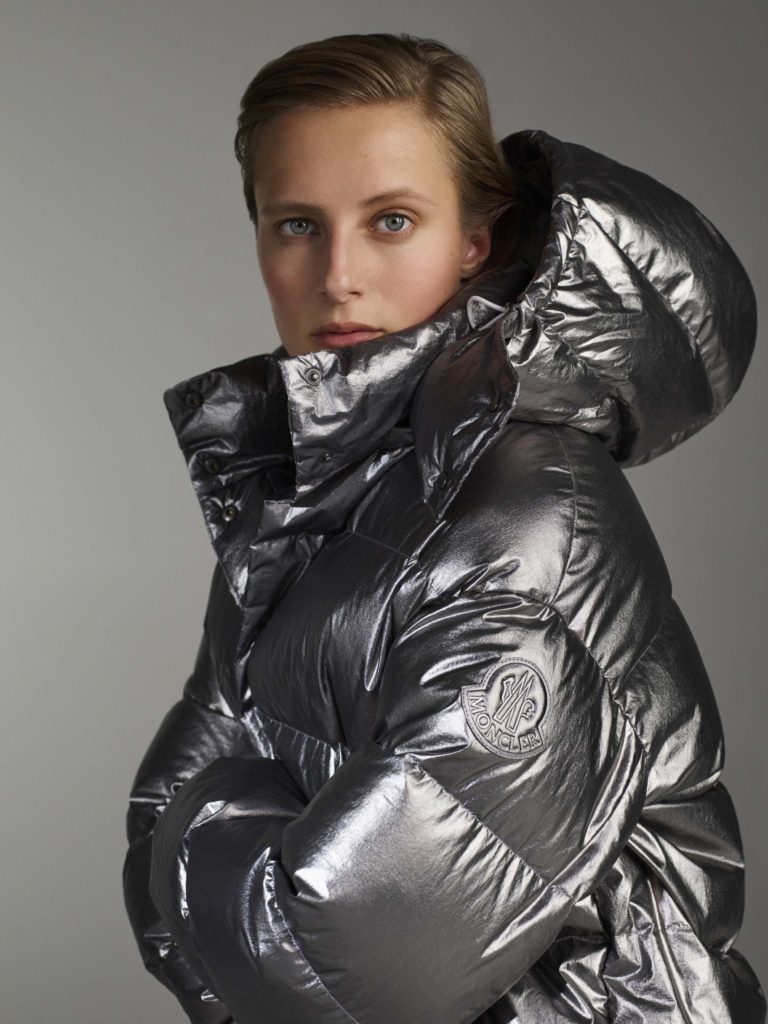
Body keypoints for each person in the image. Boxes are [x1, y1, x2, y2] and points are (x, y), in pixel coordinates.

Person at [122, 31, 765, 1024]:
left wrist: (193, 837)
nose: (339, 274)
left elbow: (345, 957)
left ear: (474, 240)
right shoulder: (316, 497)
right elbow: (178, 854)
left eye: (391, 220)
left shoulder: (534, 510)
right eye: (297, 224)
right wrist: (216, 852)